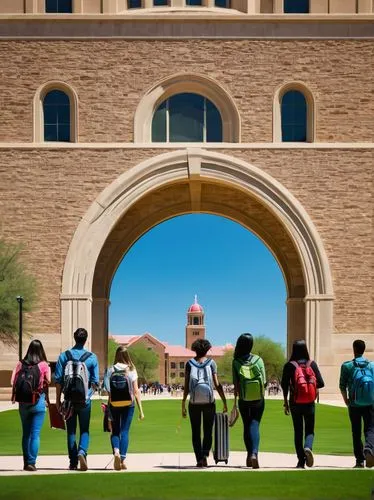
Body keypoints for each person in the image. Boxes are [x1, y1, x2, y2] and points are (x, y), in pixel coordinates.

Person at [55, 327, 99, 471]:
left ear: (75, 338)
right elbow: (95, 382)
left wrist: (57, 400)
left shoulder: (63, 356)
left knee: (71, 431)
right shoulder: (92, 357)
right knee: (85, 430)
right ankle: (82, 452)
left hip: (68, 400)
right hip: (84, 400)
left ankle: (73, 462)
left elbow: (58, 381)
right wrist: (88, 395)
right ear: (85, 340)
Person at [182, 338, 227, 467]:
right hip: (209, 402)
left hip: (194, 403)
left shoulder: (189, 364)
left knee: (195, 431)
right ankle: (205, 455)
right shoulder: (211, 363)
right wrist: (224, 401)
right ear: (207, 349)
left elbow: (186, 386)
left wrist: (183, 403)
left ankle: (199, 459)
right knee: (208, 431)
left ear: (195, 349)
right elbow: (217, 384)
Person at [281, 340, 324, 469]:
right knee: (310, 430)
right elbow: (321, 383)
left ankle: (300, 461)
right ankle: (308, 447)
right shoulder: (312, 364)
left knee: (298, 431)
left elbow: (284, 386)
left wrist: (285, 402)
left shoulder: (290, 365)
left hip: (295, 402)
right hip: (310, 402)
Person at [11, 339, 51, 471]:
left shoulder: (20, 364)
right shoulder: (43, 365)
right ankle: (32, 462)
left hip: (23, 402)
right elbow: (49, 380)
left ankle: (25, 461)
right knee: (35, 434)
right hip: (38, 401)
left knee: (26, 434)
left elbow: (13, 381)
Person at [104, 345, 144, 471]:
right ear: (127, 356)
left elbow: (108, 390)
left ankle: (116, 451)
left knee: (115, 430)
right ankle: (122, 459)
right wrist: (141, 411)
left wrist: (108, 405)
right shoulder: (131, 369)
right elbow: (136, 391)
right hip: (128, 404)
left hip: (114, 403)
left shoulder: (110, 369)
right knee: (125, 431)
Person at [232, 333, 266, 469]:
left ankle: (248, 455)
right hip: (258, 398)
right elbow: (264, 380)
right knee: (255, 424)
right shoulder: (258, 360)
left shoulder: (236, 361)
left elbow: (236, 384)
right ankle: (255, 454)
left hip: (244, 398)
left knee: (247, 425)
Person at [339, 339, 374, 468]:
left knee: (356, 431)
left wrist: (346, 401)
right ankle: (369, 449)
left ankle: (359, 460)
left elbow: (342, 385)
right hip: (370, 403)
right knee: (370, 429)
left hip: (354, 403)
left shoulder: (347, 366)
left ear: (354, 349)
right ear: (364, 349)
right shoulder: (372, 365)